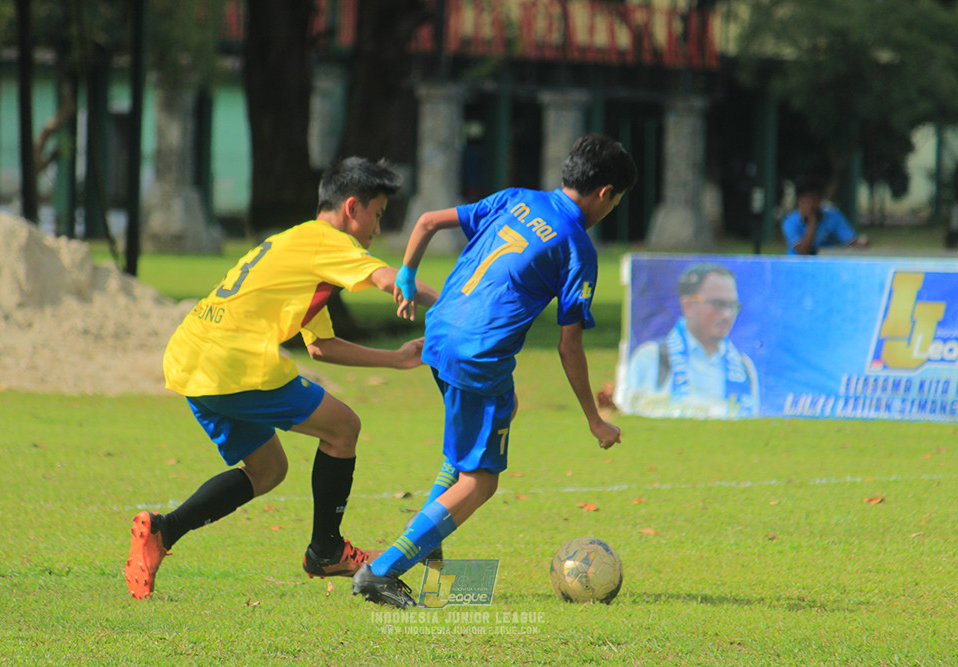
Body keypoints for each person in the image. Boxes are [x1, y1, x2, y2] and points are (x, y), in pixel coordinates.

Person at [125, 157, 438, 600]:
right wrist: (453, 306)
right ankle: (327, 551)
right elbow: (389, 278)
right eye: (378, 215)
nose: (376, 230)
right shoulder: (326, 241)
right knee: (343, 427)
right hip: (233, 362)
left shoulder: (299, 246)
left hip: (191, 356)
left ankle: (163, 531)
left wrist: (395, 359)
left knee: (268, 470)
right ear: (352, 207)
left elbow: (321, 347)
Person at [350, 133, 639, 608]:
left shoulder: (517, 199)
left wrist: (405, 272)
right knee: (481, 479)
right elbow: (570, 347)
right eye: (617, 200)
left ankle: (428, 544)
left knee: (492, 423)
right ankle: (381, 572)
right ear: (606, 193)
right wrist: (595, 419)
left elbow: (425, 222)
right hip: (478, 353)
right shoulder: (577, 248)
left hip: (441, 330)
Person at [624, 262, 758, 418]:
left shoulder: (744, 367)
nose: (727, 314)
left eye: (733, 305)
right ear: (688, 305)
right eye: (718, 304)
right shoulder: (652, 357)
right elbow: (634, 414)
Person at [782, 175, 869, 255]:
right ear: (799, 201)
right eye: (806, 202)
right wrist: (812, 222)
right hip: (798, 266)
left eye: (814, 200)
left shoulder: (834, 216)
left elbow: (849, 240)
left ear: (821, 199)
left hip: (826, 262)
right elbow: (803, 251)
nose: (810, 206)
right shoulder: (790, 222)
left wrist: (861, 243)